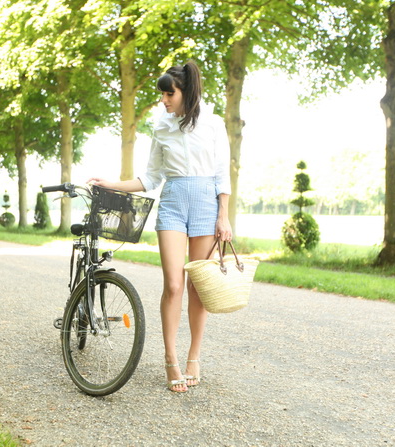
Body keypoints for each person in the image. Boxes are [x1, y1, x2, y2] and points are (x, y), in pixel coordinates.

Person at [88, 60, 232, 392]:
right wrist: (112, 184)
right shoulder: (161, 126)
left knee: (199, 287)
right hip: (172, 206)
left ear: (186, 91)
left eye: (170, 94)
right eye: (163, 94)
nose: (165, 100)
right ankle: (171, 358)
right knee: (174, 285)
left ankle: (194, 356)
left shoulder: (213, 124)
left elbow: (223, 174)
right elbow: (150, 178)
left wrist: (223, 216)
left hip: (206, 206)